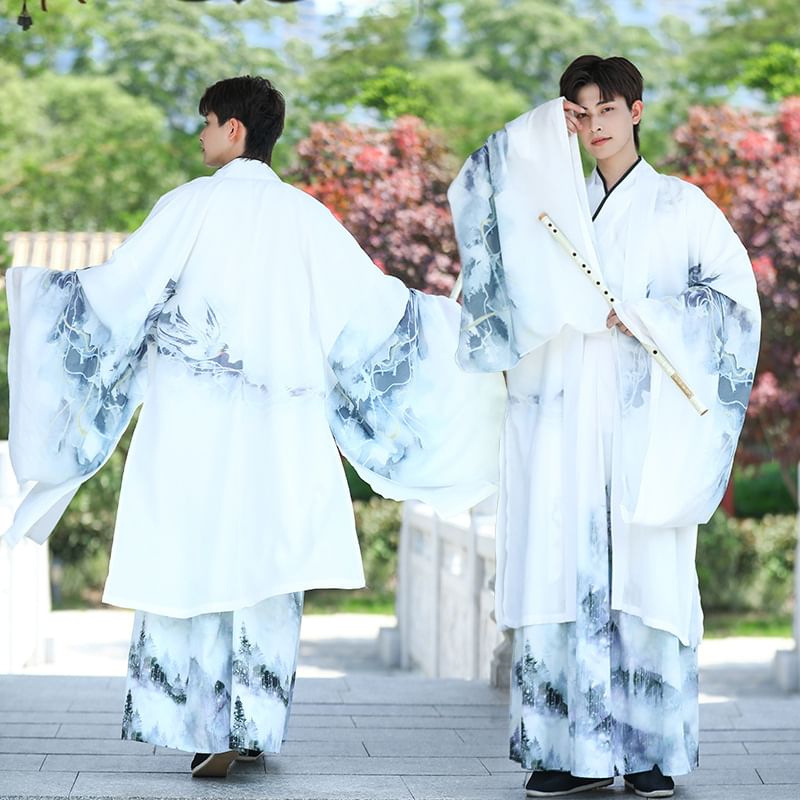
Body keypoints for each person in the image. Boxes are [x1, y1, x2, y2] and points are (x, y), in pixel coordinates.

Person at [3, 76, 505, 778]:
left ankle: (200, 724)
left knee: (191, 563)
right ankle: (251, 725)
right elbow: (377, 314)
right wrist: (456, 325)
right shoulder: (307, 217)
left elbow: (116, 298)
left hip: (191, 433)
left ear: (234, 129)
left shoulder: (186, 207)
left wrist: (37, 294)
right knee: (268, 572)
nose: (200, 135)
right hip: (279, 436)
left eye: (207, 121)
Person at [448, 55, 760, 798]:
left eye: (607, 110)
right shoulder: (548, 215)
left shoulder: (682, 207)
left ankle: (647, 751)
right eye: (579, 114)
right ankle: (564, 753)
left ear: (636, 111)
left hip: (645, 433)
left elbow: (736, 305)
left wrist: (649, 318)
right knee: (561, 569)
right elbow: (480, 201)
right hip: (560, 426)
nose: (594, 126)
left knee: (645, 573)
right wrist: (536, 132)